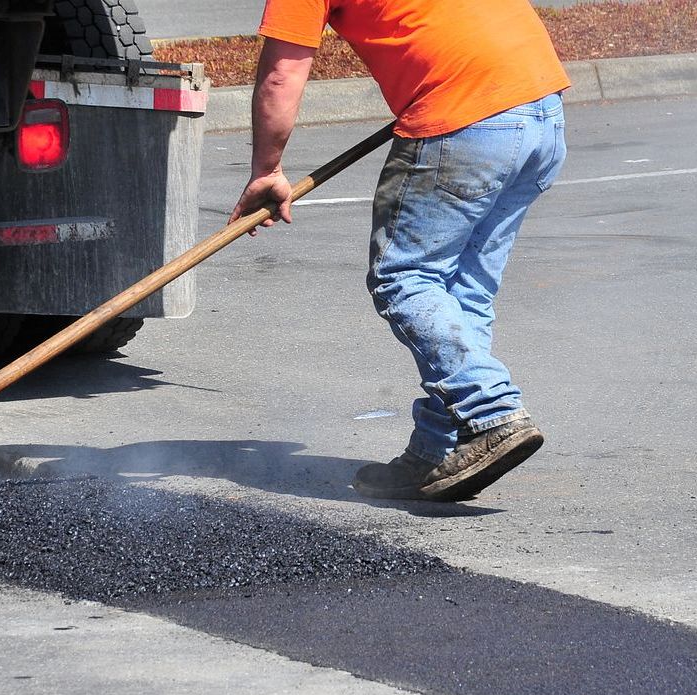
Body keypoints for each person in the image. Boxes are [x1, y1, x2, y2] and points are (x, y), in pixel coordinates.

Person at [230, 0, 570, 501]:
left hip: (466, 117)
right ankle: (439, 450)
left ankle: (493, 412)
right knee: (462, 290)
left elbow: (282, 75)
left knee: (404, 277)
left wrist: (266, 170)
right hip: (541, 109)